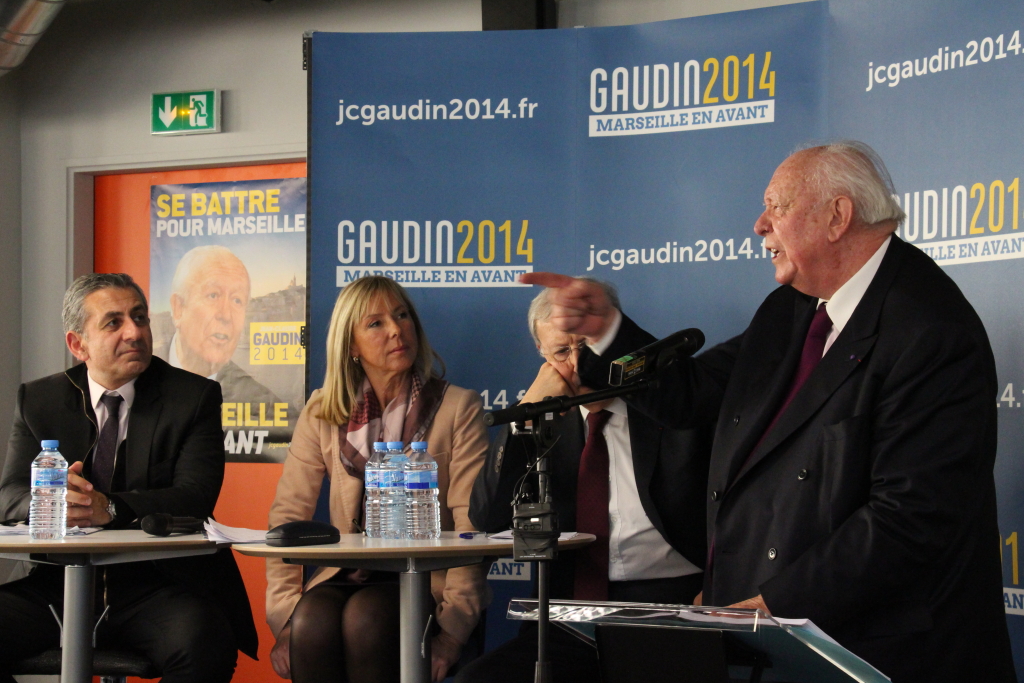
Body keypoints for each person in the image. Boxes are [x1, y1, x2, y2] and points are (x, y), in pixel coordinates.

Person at [522, 142, 1015, 683]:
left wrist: (775, 602)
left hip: (883, 654)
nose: (760, 224)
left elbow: (910, 517)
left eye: (776, 206)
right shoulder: (792, 308)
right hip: (781, 636)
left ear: (836, 216)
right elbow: (690, 394)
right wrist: (608, 332)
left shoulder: (929, 330)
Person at [0, 273, 258, 683]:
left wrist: (111, 508)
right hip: (57, 585)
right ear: (77, 344)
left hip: (155, 586)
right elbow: (9, 495)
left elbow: (194, 497)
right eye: (113, 322)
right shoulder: (39, 399)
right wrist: (54, 502)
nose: (134, 332)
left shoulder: (192, 397)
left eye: (140, 318)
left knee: (204, 640)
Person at [457, 282, 712, 683]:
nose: (579, 365)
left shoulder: (675, 412)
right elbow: (487, 519)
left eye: (589, 347)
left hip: (669, 605)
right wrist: (526, 414)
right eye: (561, 352)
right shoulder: (543, 426)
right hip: (567, 613)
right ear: (542, 357)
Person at [266, 275, 490, 683]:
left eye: (402, 315)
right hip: (346, 574)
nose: (396, 329)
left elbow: (470, 525)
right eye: (376, 323)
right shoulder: (322, 411)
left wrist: (454, 633)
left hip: (423, 582)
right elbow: (287, 517)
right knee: (310, 622)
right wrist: (284, 619)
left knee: (366, 617)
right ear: (351, 345)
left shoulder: (458, 406)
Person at [159, 245, 295, 442]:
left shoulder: (269, 406)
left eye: (237, 301)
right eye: (213, 295)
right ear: (178, 308)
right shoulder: (136, 383)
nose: (225, 315)